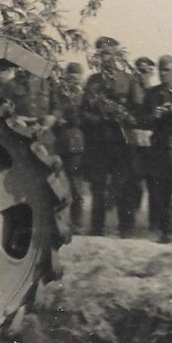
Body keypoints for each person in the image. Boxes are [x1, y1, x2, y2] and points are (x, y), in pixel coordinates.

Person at [81, 37, 137, 238]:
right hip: (99, 141)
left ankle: (126, 227)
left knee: (124, 183)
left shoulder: (128, 80)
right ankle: (97, 228)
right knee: (98, 186)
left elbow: (137, 110)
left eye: (107, 52)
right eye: (101, 53)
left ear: (116, 53)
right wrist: (99, 118)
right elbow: (84, 112)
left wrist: (125, 117)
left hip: (121, 141)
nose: (104, 57)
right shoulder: (93, 82)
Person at [143, 55, 172, 243]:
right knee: (162, 193)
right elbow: (141, 120)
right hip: (159, 150)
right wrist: (154, 115)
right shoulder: (151, 94)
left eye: (166, 70)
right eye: (160, 70)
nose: (162, 74)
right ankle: (167, 232)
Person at [50, 62, 86, 233]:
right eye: (70, 77)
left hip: (76, 144)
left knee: (76, 186)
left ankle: (77, 223)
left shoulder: (85, 95)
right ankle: (57, 222)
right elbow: (54, 109)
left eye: (76, 78)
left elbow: (85, 117)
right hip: (58, 142)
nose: (72, 81)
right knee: (55, 183)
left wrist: (70, 119)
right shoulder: (58, 92)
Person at [129, 56, 156, 229]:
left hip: (154, 144)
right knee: (134, 182)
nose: (142, 75)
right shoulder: (131, 94)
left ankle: (154, 224)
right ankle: (131, 221)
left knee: (154, 184)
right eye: (139, 71)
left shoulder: (157, 92)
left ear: (152, 73)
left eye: (146, 71)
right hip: (135, 144)